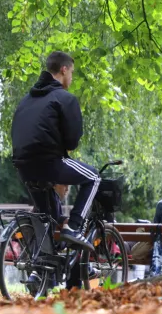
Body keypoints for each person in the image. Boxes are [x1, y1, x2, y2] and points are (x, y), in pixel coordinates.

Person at [11, 51, 98, 251]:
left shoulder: (26, 100)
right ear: (64, 70)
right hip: (48, 163)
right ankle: (74, 227)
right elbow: (72, 142)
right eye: (72, 73)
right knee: (93, 177)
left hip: (23, 166)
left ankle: (42, 264)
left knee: (49, 219)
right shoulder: (65, 99)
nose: (72, 78)